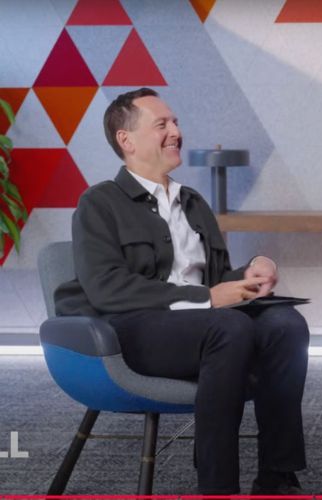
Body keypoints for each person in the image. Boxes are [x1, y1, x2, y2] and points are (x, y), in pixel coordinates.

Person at [54, 88, 309, 495]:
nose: (176, 131)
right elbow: (106, 288)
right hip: (132, 330)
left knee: (286, 325)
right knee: (229, 328)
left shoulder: (192, 202)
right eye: (162, 124)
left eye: (175, 122)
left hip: (205, 327)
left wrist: (254, 270)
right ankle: (217, 486)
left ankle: (276, 477)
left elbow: (217, 279)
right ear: (126, 139)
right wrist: (207, 300)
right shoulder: (99, 203)